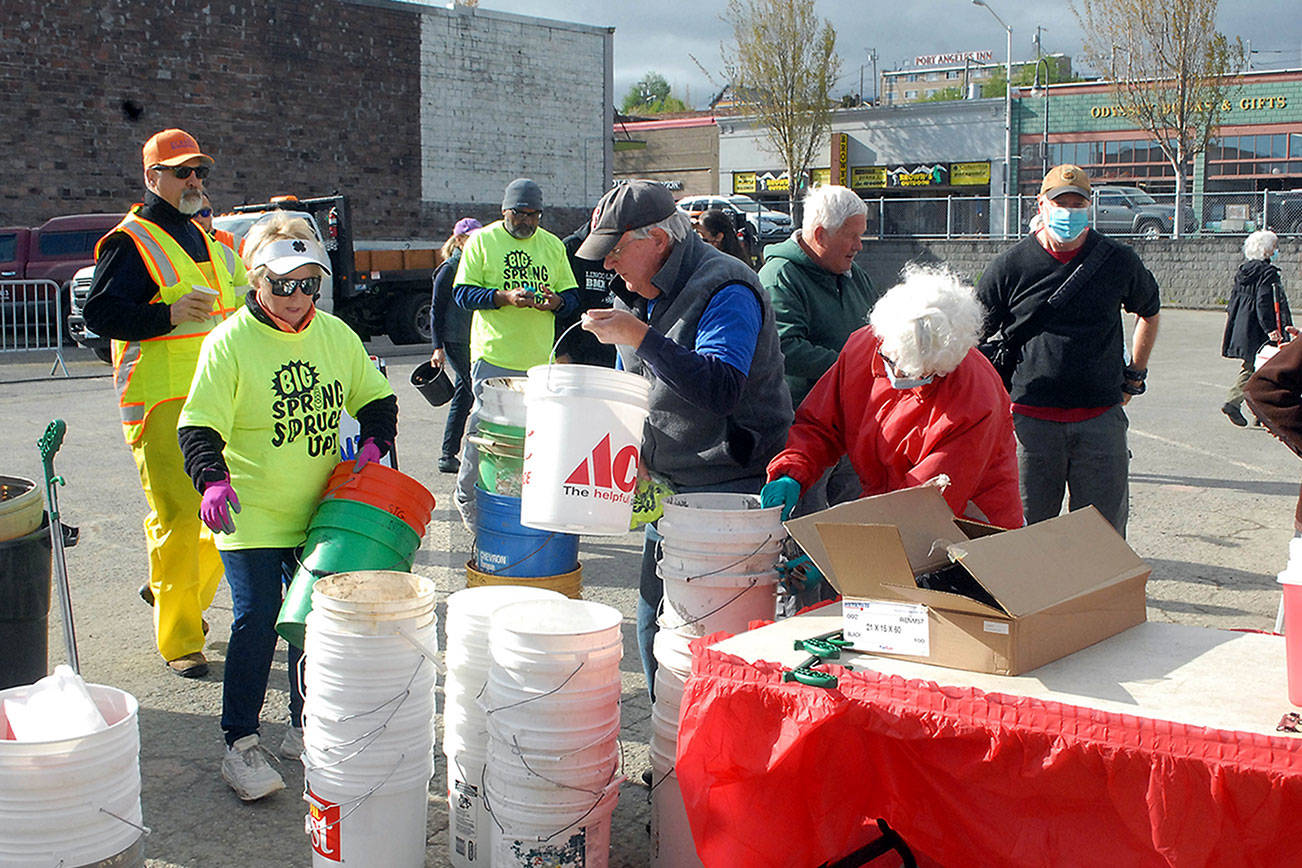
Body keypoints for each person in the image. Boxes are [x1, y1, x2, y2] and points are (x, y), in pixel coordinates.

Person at [177, 213, 397, 801]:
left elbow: (376, 397)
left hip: (321, 510)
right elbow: (197, 424)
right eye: (282, 284)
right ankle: (241, 742)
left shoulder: (334, 335)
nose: (296, 298)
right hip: (250, 511)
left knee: (312, 621)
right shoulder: (230, 343)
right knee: (256, 621)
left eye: (308, 284)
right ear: (255, 279)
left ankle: (306, 725)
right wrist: (211, 480)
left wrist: (375, 441)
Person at [577, 181, 793, 698]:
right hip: (672, 490)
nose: (607, 266)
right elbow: (639, 385)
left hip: (729, 492)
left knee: (713, 639)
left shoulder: (727, 288)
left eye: (613, 251)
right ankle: (668, 741)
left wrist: (639, 337)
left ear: (655, 238)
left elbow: (720, 387)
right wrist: (633, 445)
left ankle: (709, 754)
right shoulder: (645, 292)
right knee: (655, 625)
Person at [83, 128, 243, 678]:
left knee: (228, 513)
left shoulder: (209, 240)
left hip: (218, 395)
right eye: (182, 172)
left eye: (199, 171)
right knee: (179, 518)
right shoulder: (131, 241)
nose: (194, 179)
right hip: (160, 401)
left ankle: (168, 589)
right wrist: (166, 315)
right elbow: (99, 316)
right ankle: (180, 637)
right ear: (152, 177)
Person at [762, 265, 1022, 530]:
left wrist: (844, 556)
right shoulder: (863, 348)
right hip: (896, 511)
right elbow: (821, 425)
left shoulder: (976, 399)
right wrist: (792, 471)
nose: (897, 374)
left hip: (968, 525)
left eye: (916, 373)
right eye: (891, 361)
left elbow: (922, 507)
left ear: (945, 365)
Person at [976, 164, 1160, 536]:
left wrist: (1135, 375)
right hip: (1030, 423)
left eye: (1078, 204)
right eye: (1060, 203)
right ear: (1040, 205)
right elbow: (973, 333)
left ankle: (1095, 597)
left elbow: (1149, 312)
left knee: (1101, 538)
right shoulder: (1011, 266)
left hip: (1100, 421)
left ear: (1089, 208)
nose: (1068, 213)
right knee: (1023, 535)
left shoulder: (1117, 261)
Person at [452, 178, 579, 527]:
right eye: (520, 214)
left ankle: (521, 500)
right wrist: (504, 298)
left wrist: (556, 302)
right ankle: (468, 497)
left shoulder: (552, 245)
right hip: (494, 355)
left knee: (533, 438)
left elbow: (572, 298)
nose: (526, 222)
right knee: (482, 430)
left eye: (534, 215)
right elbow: (462, 294)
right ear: (504, 210)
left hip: (540, 360)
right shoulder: (483, 241)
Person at [759, 184, 881, 515]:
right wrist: (855, 369)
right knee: (804, 526)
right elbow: (785, 348)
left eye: (861, 235)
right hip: (803, 427)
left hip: (853, 421)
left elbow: (879, 333)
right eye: (852, 236)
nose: (859, 246)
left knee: (852, 524)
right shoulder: (779, 276)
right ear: (820, 234)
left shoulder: (854, 275)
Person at [1222, 229, 1295, 427]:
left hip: (1244, 326)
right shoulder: (1267, 273)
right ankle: (1236, 402)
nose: (1277, 250)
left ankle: (1258, 413)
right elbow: (1265, 302)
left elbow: (1234, 302)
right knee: (1265, 368)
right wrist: (1271, 328)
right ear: (1266, 250)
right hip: (1261, 328)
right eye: (1274, 247)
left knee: (1255, 366)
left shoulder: (1244, 271)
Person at [430, 217, 482, 472]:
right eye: (471, 237)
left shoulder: (478, 264)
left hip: (474, 338)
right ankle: (452, 453)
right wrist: (437, 346)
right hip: (455, 339)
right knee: (473, 389)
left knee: (465, 393)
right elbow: (436, 310)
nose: (477, 241)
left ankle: (448, 454)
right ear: (459, 240)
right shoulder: (449, 268)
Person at [556, 220, 619, 367]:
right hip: (576, 353)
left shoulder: (631, 247)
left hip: (616, 354)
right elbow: (558, 303)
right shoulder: (571, 248)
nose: (608, 263)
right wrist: (561, 351)